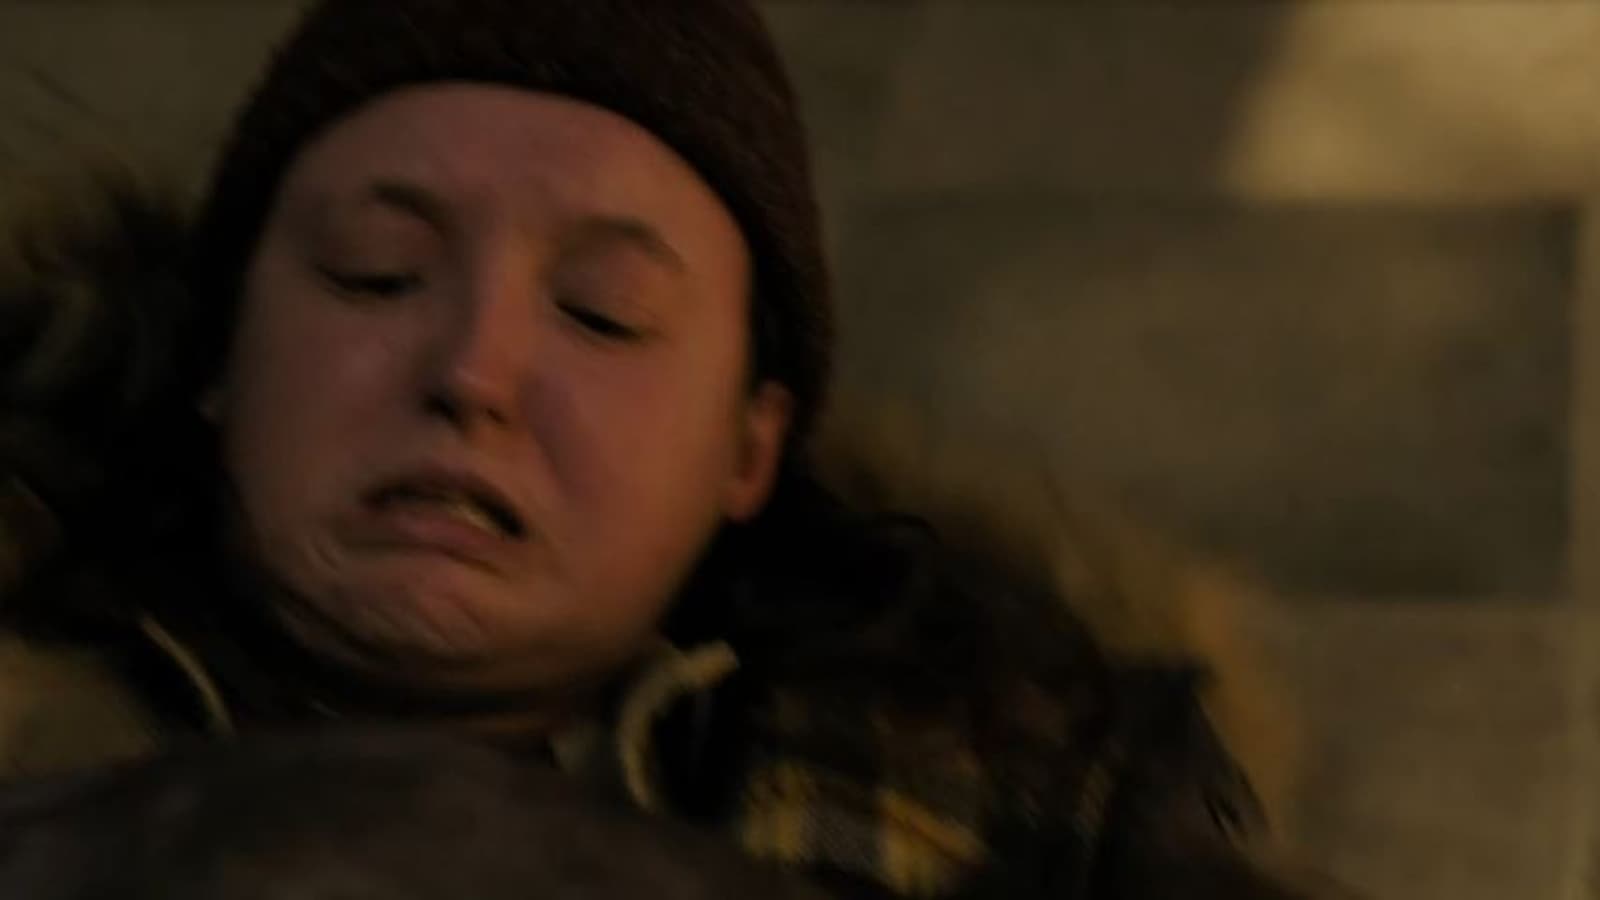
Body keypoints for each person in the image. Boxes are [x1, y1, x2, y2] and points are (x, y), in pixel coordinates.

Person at [0, 1, 1356, 897]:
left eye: (604, 313)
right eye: (376, 273)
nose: (472, 373)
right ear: (219, 357)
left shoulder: (1030, 807)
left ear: (748, 452)